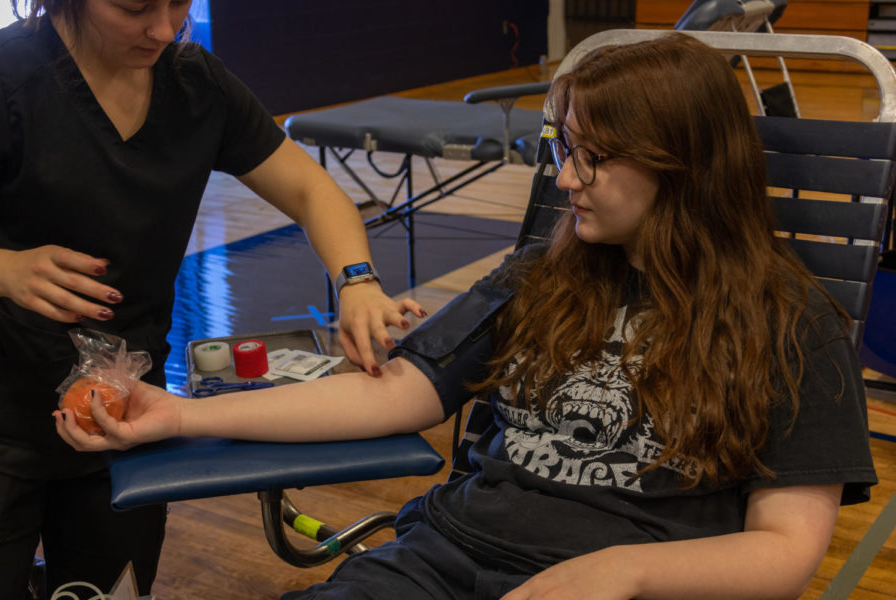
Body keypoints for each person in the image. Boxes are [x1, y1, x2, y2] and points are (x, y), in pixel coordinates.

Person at [55, 33, 877, 600]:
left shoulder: (793, 324)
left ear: (682, 165)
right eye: (562, 148)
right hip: (443, 561)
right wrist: (184, 414)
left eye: (591, 155)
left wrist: (622, 572)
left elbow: (783, 551)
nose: (567, 177)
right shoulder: (542, 275)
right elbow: (393, 393)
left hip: (622, 582)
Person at [0, 0, 426, 597]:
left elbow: (311, 191)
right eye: (135, 8)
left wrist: (358, 281)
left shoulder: (194, 81)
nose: (165, 28)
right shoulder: (8, 77)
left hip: (125, 417)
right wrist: (3, 268)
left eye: (178, 3)